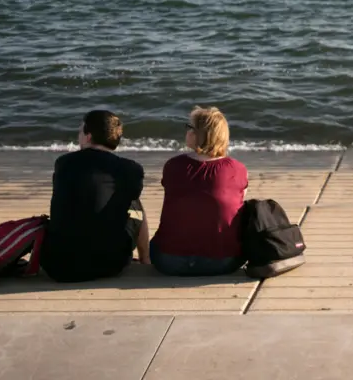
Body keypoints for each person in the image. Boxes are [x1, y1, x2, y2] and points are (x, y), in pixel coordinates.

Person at [42, 109, 150, 282]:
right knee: (135, 205)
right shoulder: (130, 168)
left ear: (88, 135)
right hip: (111, 263)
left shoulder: (63, 163)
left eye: (80, 131)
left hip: (58, 265)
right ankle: (145, 259)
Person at [150, 106, 248, 276]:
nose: (187, 132)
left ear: (199, 135)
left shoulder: (174, 166)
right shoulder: (237, 169)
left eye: (190, 127)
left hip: (169, 260)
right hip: (224, 262)